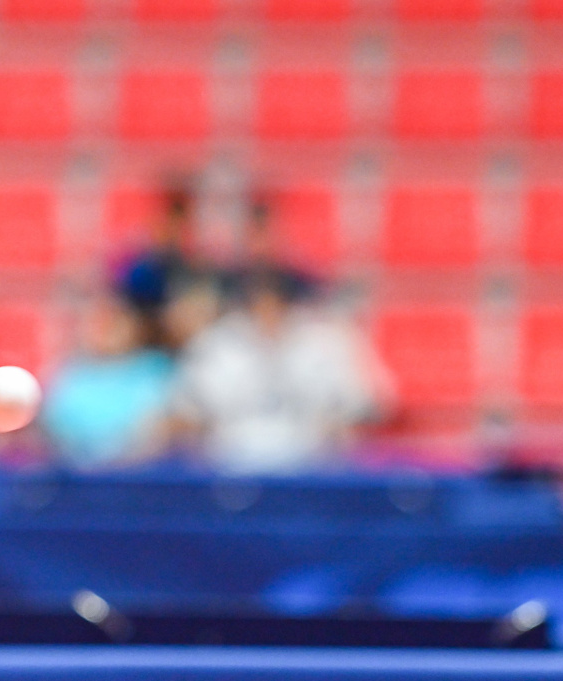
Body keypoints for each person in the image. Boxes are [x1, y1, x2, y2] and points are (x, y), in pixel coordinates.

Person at [170, 268, 387, 474]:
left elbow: (366, 404)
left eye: (276, 305)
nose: (268, 313)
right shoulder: (217, 345)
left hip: (308, 467)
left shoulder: (323, 343)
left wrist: (340, 426)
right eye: (260, 306)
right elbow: (187, 410)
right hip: (230, 467)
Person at [42, 296, 174, 467]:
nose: (107, 330)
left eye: (116, 323)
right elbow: (55, 429)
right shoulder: (69, 374)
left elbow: (162, 426)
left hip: (142, 471)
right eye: (99, 323)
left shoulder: (156, 369)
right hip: (78, 473)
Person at [112, 181, 218, 356]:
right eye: (167, 225)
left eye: (178, 226)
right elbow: (127, 296)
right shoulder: (141, 265)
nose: (172, 232)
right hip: (146, 330)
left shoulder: (191, 264)